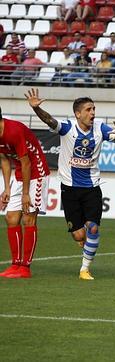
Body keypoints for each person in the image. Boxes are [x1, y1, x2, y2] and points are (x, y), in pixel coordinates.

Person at [25, 88, 115, 280]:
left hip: (92, 188)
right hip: (69, 188)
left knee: (93, 228)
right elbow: (50, 120)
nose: (93, 113)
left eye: (94, 109)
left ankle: (84, 269)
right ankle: (82, 240)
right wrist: (36, 109)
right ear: (78, 114)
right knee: (79, 235)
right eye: (89, 109)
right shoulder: (67, 128)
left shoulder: (100, 128)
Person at [0, 108, 51, 278]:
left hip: (36, 173)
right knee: (11, 218)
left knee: (28, 218)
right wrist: (7, 188)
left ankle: (25, 267)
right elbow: (4, 160)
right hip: (20, 174)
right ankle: (15, 264)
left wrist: (25, 193)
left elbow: (27, 162)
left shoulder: (13, 131)